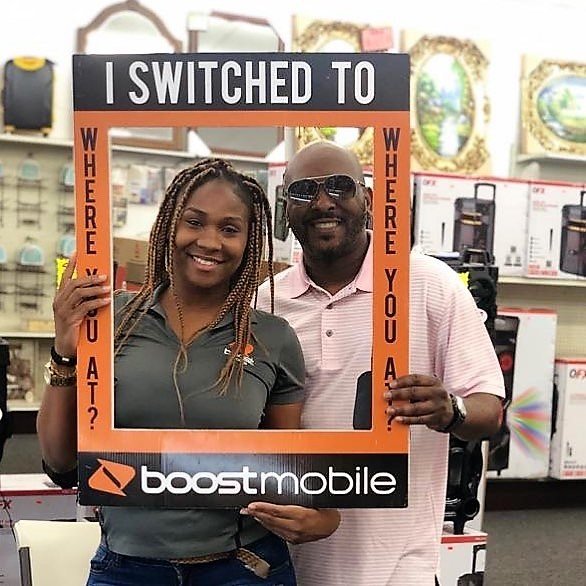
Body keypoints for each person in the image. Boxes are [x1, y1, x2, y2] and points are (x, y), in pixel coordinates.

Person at [37, 158, 339, 586]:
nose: (210, 241)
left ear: (249, 242)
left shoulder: (274, 338)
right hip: (127, 568)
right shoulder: (109, 319)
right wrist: (65, 351)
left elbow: (286, 471)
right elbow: (60, 460)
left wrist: (322, 518)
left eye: (230, 229)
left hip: (243, 568)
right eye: (194, 222)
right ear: (168, 226)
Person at [247, 141, 505, 585]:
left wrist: (451, 410)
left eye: (339, 186)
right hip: (286, 559)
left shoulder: (430, 285)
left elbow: (490, 410)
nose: (323, 202)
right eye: (305, 191)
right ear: (285, 209)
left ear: (366, 200)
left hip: (399, 564)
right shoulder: (265, 302)